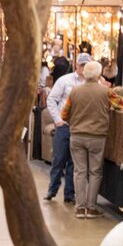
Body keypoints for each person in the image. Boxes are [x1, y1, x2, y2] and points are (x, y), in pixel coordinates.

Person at [63, 61, 112, 219]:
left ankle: (79, 207)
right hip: (97, 137)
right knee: (95, 172)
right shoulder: (106, 91)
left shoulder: (75, 91)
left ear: (84, 73)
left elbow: (64, 114)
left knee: (79, 172)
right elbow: (121, 104)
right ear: (98, 74)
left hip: (77, 136)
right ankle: (91, 208)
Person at [45, 52, 91, 205]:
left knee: (74, 162)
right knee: (59, 158)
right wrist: (57, 120)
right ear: (76, 65)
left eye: (86, 65)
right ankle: (52, 189)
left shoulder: (91, 84)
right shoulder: (64, 80)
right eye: (81, 65)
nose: (83, 68)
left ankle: (69, 194)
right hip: (64, 125)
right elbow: (51, 99)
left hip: (80, 127)